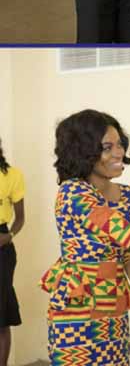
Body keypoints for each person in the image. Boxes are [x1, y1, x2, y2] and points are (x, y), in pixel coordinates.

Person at [41, 110, 130, 365]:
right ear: (83, 151)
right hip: (77, 306)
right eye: (107, 147)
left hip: (113, 302)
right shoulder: (73, 192)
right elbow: (128, 237)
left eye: (119, 143)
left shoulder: (129, 196)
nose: (118, 152)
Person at [0, 141, 24, 366]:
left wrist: (8, 237)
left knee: (1, 314)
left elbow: (20, 218)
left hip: (2, 248)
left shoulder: (12, 176)